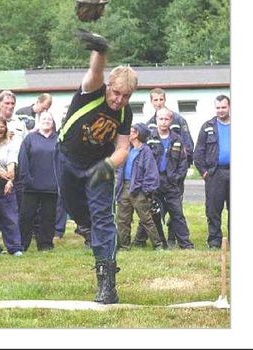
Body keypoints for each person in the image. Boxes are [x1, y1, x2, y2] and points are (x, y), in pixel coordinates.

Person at [57, 32, 137, 303]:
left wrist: (108, 165)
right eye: (116, 93)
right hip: (67, 158)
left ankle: (107, 285)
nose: (119, 101)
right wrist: (100, 50)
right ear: (108, 87)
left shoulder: (126, 113)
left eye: (126, 96)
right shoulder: (91, 91)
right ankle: (86, 226)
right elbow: (95, 69)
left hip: (98, 167)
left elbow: (124, 147)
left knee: (103, 219)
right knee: (75, 210)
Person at [144, 109, 193, 248]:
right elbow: (145, 162)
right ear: (156, 120)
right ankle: (161, 244)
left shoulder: (177, 139)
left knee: (177, 214)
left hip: (171, 182)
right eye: (160, 119)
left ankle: (185, 244)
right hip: (155, 182)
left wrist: (177, 179)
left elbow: (183, 163)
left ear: (171, 121)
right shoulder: (149, 138)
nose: (163, 122)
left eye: (166, 119)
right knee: (155, 215)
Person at [115, 123, 165, 250]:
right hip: (124, 187)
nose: (128, 134)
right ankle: (124, 245)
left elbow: (151, 173)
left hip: (138, 190)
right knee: (122, 219)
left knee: (146, 218)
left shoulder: (146, 151)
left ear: (137, 134)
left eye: (131, 131)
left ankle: (158, 245)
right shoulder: (127, 149)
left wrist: (146, 191)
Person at [17, 111, 60, 251]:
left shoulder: (58, 140)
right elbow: (23, 160)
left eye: (49, 119)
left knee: (48, 217)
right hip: (31, 186)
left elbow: (63, 161)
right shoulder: (30, 139)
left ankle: (45, 244)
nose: (46, 121)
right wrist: (26, 179)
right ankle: (23, 244)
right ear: (38, 121)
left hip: (51, 186)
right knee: (26, 217)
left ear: (53, 122)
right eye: (44, 118)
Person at [194, 93, 230, 249]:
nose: (221, 110)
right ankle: (214, 241)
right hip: (215, 174)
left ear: (229, 107)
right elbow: (198, 152)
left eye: (223, 107)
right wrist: (204, 172)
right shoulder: (207, 126)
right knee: (213, 210)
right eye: (218, 108)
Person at [0, 115, 23, 255]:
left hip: (6, 184)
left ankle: (15, 248)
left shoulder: (10, 144)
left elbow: (12, 164)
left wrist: (9, 180)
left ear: (6, 128)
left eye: (2, 126)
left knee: (10, 217)